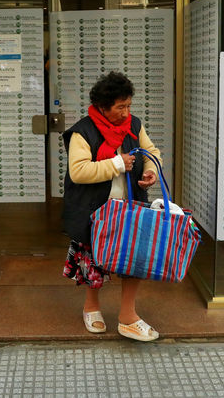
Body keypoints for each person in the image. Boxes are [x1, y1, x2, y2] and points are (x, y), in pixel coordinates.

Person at [60, 71, 162, 342]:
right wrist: (117, 164)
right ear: (104, 107)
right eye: (120, 107)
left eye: (128, 105)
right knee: (94, 261)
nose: (126, 112)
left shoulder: (134, 125)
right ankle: (91, 307)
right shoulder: (83, 131)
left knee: (134, 261)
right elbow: (78, 171)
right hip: (95, 210)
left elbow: (151, 152)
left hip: (130, 208)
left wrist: (150, 169)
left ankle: (128, 317)